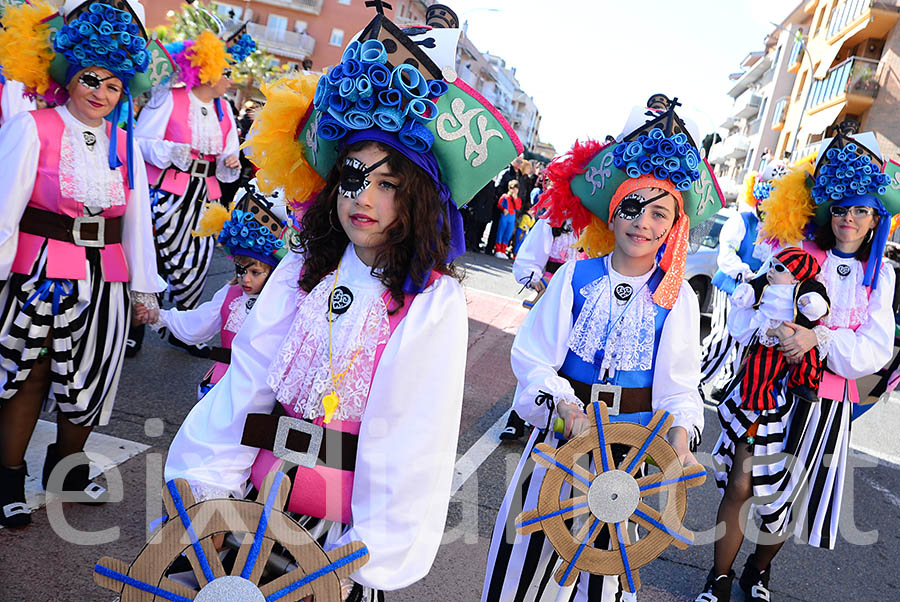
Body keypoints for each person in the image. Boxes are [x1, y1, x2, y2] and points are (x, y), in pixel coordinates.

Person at [165, 6, 522, 598]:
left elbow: (412, 440)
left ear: (419, 200)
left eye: (389, 184)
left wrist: (362, 556)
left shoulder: (432, 302)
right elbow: (247, 382)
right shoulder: (300, 272)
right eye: (354, 177)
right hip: (248, 514)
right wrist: (211, 487)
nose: (366, 198)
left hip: (338, 544)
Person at [483, 94, 724, 602]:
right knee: (521, 564)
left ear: (671, 228)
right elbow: (532, 359)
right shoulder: (575, 274)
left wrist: (679, 443)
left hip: (628, 455)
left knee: (602, 574)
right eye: (633, 208)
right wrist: (567, 407)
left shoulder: (675, 296)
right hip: (559, 442)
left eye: (660, 214)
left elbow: (681, 388)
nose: (643, 222)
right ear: (613, 214)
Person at [697, 121, 899, 602]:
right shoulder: (797, 253)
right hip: (770, 393)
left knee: (786, 501)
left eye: (860, 211)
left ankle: (757, 571)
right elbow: (750, 315)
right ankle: (718, 579)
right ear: (829, 211)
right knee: (742, 482)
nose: (848, 217)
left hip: (825, 405)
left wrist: (819, 339)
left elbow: (873, 349)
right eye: (842, 208)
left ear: (875, 219)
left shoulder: (882, 277)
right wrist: (772, 327)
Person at [0, 0, 164, 529]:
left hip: (106, 278)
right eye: (91, 79)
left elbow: (137, 219)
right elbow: (5, 209)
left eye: (114, 85)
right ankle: (6, 479)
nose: (101, 92)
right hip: (40, 273)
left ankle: (66, 474)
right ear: (71, 77)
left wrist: (144, 287)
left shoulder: (124, 143)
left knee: (91, 381)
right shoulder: (33, 127)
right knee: (32, 374)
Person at [130, 22, 256, 356]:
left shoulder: (226, 109)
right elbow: (138, 143)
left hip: (206, 198)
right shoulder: (169, 100)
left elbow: (230, 150)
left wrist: (231, 161)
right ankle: (136, 326)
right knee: (152, 260)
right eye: (225, 71)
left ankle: (183, 329)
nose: (229, 79)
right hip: (167, 195)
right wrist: (170, 151)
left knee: (196, 266)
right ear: (207, 71)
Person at [137, 181, 287, 400]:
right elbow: (198, 322)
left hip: (261, 388)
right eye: (241, 270)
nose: (245, 278)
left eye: (255, 272)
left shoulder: (280, 301)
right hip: (223, 382)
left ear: (272, 272)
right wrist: (161, 316)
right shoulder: (230, 295)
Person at [701, 160, 787, 399]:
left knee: (742, 338)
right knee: (722, 335)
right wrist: (743, 272)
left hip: (755, 294)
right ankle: (696, 378)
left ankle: (725, 381)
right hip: (731, 285)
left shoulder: (779, 233)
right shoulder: (742, 220)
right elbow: (726, 253)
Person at [730, 247, 830, 409]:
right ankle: (757, 399)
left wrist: (811, 303)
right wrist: (743, 295)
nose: (770, 271)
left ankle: (804, 384)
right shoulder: (766, 284)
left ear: (795, 278)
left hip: (797, 334)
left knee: (809, 357)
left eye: (778, 268)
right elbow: (751, 290)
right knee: (760, 368)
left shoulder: (803, 288)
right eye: (771, 265)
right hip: (769, 336)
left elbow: (819, 304)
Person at [495, 179, 521, 258]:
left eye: (516, 188)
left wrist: (515, 198)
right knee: (500, 232)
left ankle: (503, 250)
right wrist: (503, 209)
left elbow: (518, 207)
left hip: (512, 216)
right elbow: (499, 204)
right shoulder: (505, 196)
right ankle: (498, 250)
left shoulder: (517, 199)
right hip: (505, 216)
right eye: (513, 188)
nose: (514, 190)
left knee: (508, 234)